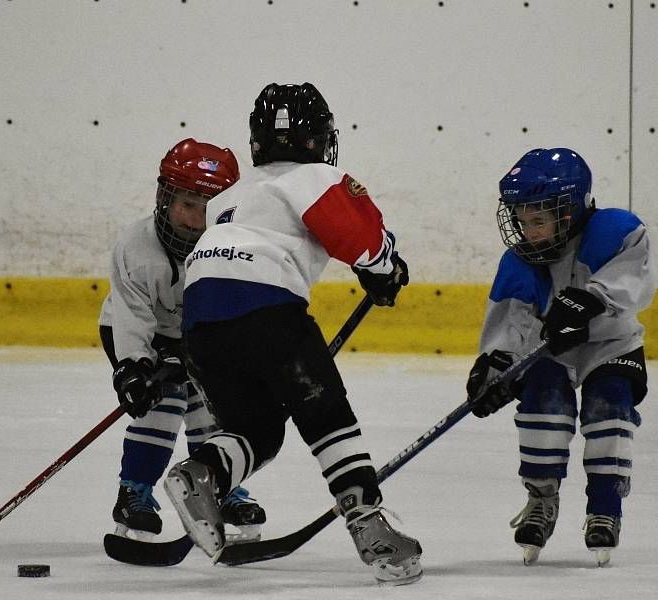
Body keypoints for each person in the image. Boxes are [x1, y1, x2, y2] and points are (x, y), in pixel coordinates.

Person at [162, 82, 422, 586]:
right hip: (266, 311)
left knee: (259, 430)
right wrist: (386, 267)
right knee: (326, 415)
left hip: (200, 320)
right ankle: (368, 523)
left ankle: (202, 474)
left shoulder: (231, 195)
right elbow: (359, 237)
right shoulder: (317, 176)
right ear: (319, 139)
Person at [466, 147, 654, 565]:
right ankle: (541, 499)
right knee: (542, 402)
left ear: (569, 211)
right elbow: (511, 325)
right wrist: (496, 367)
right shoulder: (519, 263)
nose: (528, 232)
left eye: (539, 220)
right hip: (551, 352)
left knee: (609, 408)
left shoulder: (616, 231)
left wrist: (590, 298)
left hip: (612, 344)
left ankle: (605, 508)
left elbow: (634, 280)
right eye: (522, 220)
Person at [98, 138, 266, 543]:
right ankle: (133, 492)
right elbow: (131, 317)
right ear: (163, 196)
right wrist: (135, 368)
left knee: (213, 406)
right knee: (162, 400)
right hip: (137, 334)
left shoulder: (232, 248)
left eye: (206, 209)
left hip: (197, 336)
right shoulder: (136, 248)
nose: (194, 220)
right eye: (186, 204)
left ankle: (218, 487)